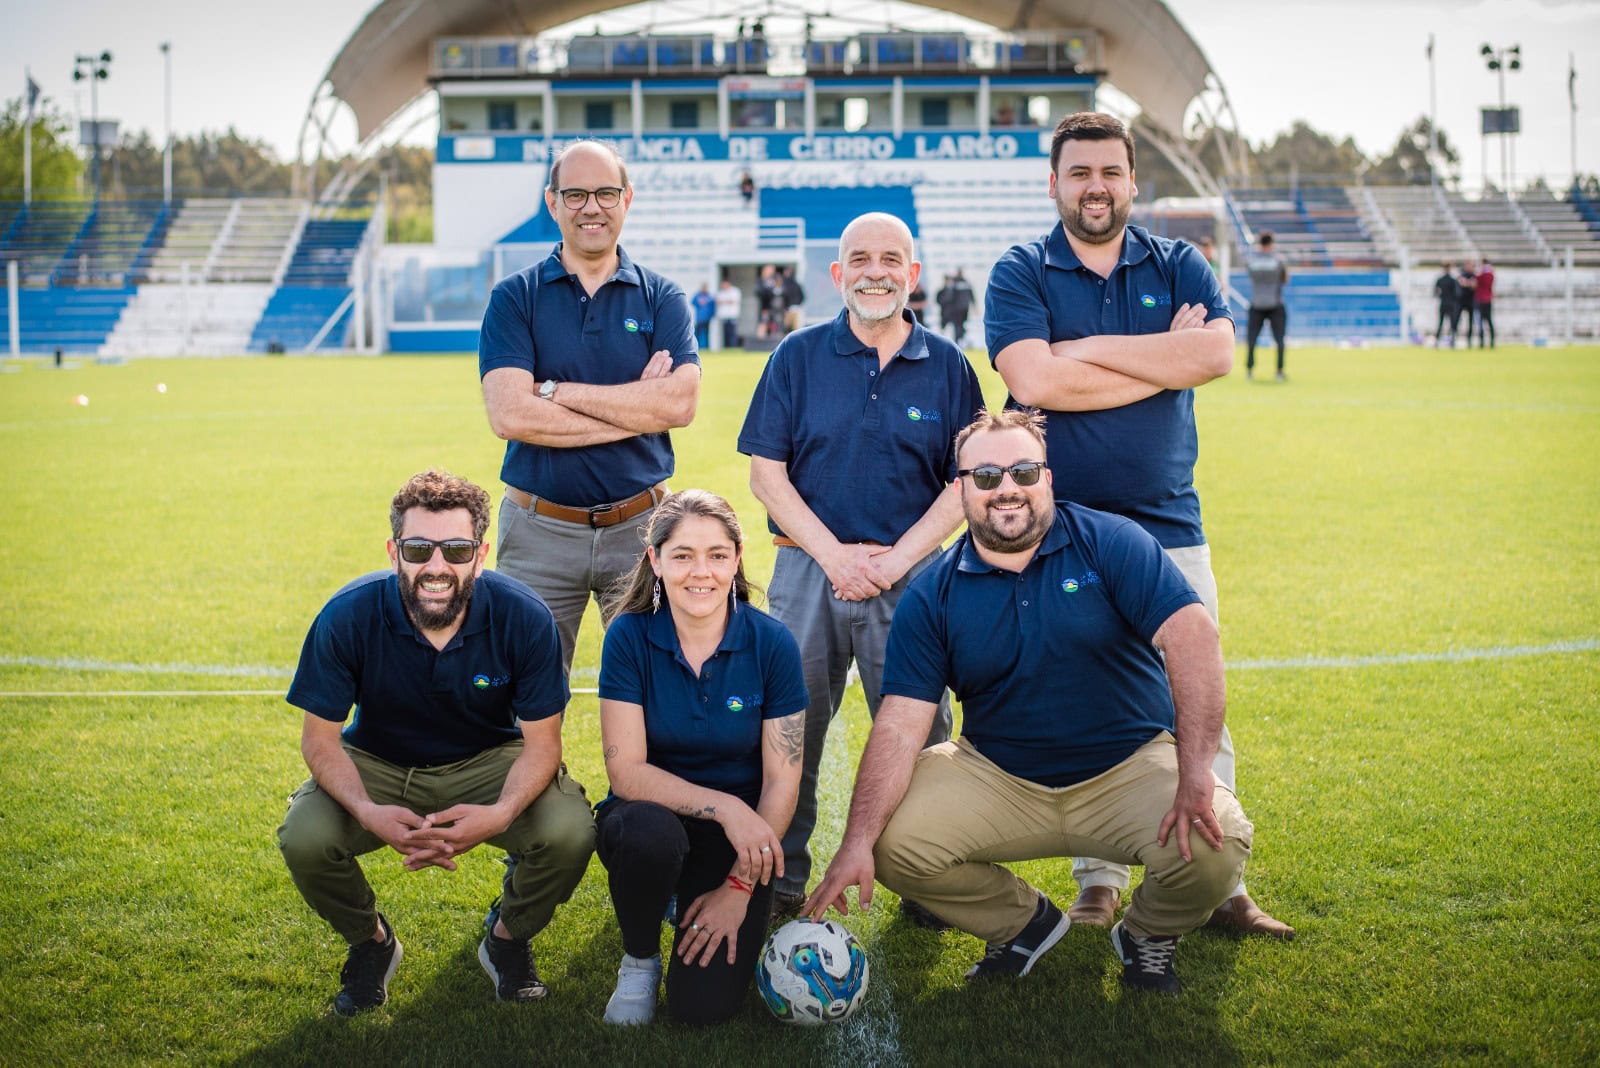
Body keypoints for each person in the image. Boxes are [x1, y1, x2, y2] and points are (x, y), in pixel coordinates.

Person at [804, 409, 1253, 995]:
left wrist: (1195, 773)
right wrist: (856, 841)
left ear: (1048, 477)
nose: (1006, 489)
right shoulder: (933, 591)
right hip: (1001, 776)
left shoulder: (1111, 541)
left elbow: (1193, 640)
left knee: (1218, 837)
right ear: (960, 489)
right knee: (891, 844)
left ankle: (1146, 932)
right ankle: (1023, 923)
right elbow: (899, 724)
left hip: (1128, 767)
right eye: (986, 477)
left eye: (1023, 470)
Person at [983, 111, 1291, 938]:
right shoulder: (1020, 270)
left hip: (1170, 526)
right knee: (1092, 701)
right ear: (1055, 184)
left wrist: (1080, 353)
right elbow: (1032, 380)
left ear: (1131, 180)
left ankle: (1220, 883)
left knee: (1199, 702)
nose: (1096, 187)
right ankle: (1099, 880)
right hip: (1066, 530)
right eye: (1079, 173)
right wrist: (1155, 356)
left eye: (1110, 172)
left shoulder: (1179, 260)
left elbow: (1215, 356)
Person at [276, 470, 596, 1015]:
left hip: (489, 761)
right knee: (304, 836)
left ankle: (507, 940)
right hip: (376, 760)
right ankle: (371, 944)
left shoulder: (525, 616)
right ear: (394, 551)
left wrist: (499, 814)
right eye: (419, 548)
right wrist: (366, 810)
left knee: (570, 830)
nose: (437, 566)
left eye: (456, 549)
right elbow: (320, 742)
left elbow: (543, 746)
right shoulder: (347, 613)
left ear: (482, 553)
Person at [738, 211, 983, 919]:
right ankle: (782, 873)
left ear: (913, 274)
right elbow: (766, 474)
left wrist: (895, 561)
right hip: (805, 570)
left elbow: (964, 483)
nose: (876, 270)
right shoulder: (797, 356)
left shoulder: (948, 367)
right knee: (790, 727)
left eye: (892, 259)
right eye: (860, 258)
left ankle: (925, 876)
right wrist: (835, 556)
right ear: (838, 274)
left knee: (921, 730)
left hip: (910, 578)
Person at [479, 139, 702, 673]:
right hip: (537, 532)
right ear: (553, 203)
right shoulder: (515, 296)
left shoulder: (663, 297)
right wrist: (635, 409)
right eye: (575, 195)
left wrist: (555, 391)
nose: (591, 207)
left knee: (659, 686)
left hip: (641, 530)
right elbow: (510, 416)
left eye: (605, 193)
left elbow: (679, 404)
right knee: (524, 693)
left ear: (627, 198)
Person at [594, 490, 808, 1026]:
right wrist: (726, 806)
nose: (701, 572)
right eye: (683, 554)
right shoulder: (628, 636)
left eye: (716, 554)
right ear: (655, 561)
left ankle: (689, 897)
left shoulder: (773, 644)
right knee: (648, 837)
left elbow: (783, 781)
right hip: (654, 816)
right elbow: (626, 773)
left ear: (737, 560)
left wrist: (739, 887)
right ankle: (640, 957)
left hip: (740, 842)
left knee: (702, 1009)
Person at [1244, 232, 1290, 381]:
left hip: (1256, 302)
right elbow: (1285, 279)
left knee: (1252, 340)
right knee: (1279, 340)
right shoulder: (1279, 260)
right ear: (1271, 244)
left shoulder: (1251, 261)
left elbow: (1250, 275)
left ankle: (1249, 371)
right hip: (1274, 303)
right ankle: (1279, 371)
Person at [936, 268, 975, 347]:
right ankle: (947, 343)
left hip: (955, 312)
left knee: (957, 328)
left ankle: (957, 343)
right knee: (950, 328)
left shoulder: (956, 285)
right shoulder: (944, 290)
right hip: (951, 312)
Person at [1433, 262, 1460, 348]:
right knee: (1451, 323)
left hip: (1443, 303)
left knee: (1441, 323)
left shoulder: (1440, 280)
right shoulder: (1453, 280)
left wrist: (1441, 295)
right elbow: (1457, 293)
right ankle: (1452, 341)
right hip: (1451, 304)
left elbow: (1435, 292)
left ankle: (1437, 341)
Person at [715, 277, 744, 350]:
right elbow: (718, 302)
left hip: (733, 315)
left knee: (733, 333)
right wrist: (726, 301)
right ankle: (726, 347)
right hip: (724, 316)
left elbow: (733, 301)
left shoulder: (735, 291)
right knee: (726, 333)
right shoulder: (721, 293)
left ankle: (733, 347)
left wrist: (723, 301)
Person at [1474, 258, 1496, 349]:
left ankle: (1482, 342)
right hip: (1489, 300)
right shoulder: (1491, 274)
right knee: (1489, 321)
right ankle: (1491, 341)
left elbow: (1475, 284)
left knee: (1481, 322)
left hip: (1480, 299)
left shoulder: (1481, 275)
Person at [1458, 260, 1479, 346]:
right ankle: (1455, 338)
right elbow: (1461, 282)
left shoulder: (1475, 275)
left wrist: (1467, 283)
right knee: (1457, 320)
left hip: (1471, 301)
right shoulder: (1462, 274)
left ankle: (1469, 341)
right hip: (1461, 301)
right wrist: (1469, 284)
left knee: (1471, 322)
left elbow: (1475, 286)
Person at [691, 283, 716, 351]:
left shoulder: (710, 296)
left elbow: (713, 306)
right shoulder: (698, 295)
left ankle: (707, 348)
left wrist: (712, 315)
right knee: (697, 334)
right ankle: (696, 348)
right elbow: (692, 302)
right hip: (699, 318)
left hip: (707, 318)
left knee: (706, 334)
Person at [781, 266, 806, 335]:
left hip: (793, 308)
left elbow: (801, 296)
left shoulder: (789, 284)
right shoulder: (793, 283)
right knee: (788, 328)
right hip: (789, 308)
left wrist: (797, 304)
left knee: (793, 329)